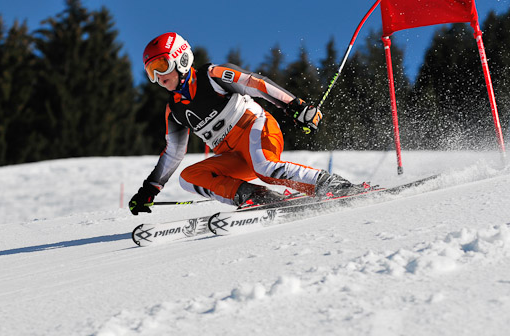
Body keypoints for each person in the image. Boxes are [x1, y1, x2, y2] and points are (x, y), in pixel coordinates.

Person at [129, 32, 367, 215]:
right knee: (188, 177)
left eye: (161, 66)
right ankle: (257, 197)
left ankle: (331, 184)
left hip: (256, 128)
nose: (158, 76)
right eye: (151, 71)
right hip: (235, 156)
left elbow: (257, 85)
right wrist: (150, 188)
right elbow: (173, 153)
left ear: (180, 58)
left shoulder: (211, 76)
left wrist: (295, 106)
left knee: (265, 167)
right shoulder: (174, 111)